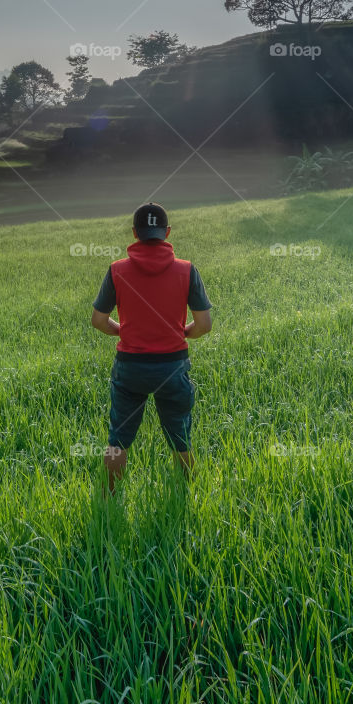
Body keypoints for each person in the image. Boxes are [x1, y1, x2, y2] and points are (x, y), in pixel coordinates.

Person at [91, 202, 212, 493]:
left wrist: (123, 331)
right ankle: (188, 491)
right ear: (167, 232)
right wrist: (182, 333)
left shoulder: (117, 270)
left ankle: (107, 498)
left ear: (135, 233)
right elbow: (204, 324)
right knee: (180, 435)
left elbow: (98, 320)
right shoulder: (187, 270)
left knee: (117, 440)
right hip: (172, 367)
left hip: (130, 367)